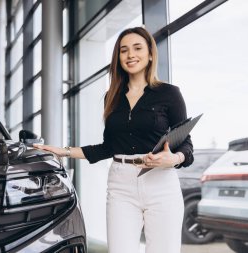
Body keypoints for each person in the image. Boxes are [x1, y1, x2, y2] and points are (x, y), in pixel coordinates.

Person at [34, 26, 194, 253]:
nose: (130, 55)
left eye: (137, 48)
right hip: (121, 184)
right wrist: (64, 151)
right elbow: (108, 147)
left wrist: (175, 158)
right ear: (118, 57)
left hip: (161, 183)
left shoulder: (169, 93)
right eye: (123, 50)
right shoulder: (112, 97)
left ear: (150, 54)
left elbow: (187, 144)